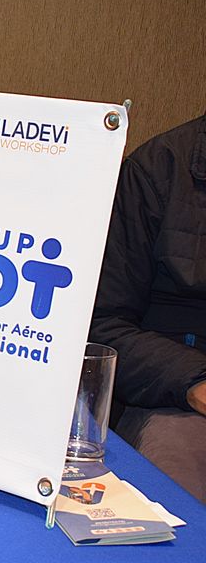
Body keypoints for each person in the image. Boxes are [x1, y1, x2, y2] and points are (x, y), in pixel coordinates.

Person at [90, 114, 206, 502]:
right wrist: (194, 383)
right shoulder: (160, 168)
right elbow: (101, 325)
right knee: (180, 504)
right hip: (176, 391)